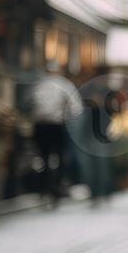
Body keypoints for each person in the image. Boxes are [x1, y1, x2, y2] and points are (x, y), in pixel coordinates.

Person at [28, 66, 80, 207]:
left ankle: (45, 189)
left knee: (44, 158)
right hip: (57, 125)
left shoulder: (39, 85)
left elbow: (30, 104)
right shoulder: (64, 84)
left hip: (40, 126)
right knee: (59, 157)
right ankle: (55, 187)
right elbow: (76, 108)